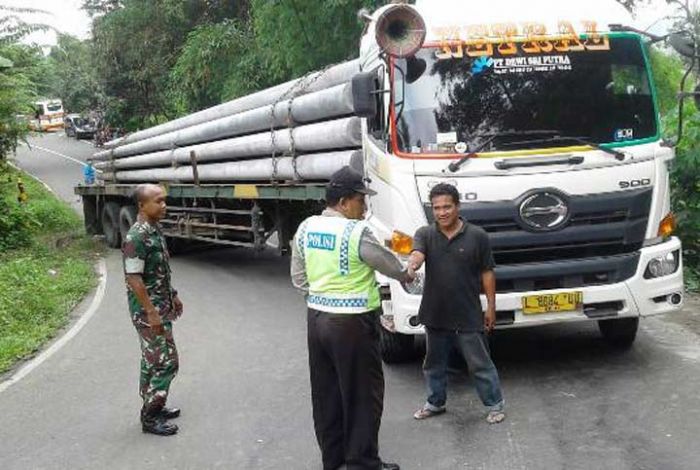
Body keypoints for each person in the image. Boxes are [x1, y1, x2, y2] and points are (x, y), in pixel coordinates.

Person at [291, 166, 413, 470]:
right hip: (352, 325)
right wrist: (407, 272)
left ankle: (332, 461)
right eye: (361, 200)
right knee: (362, 394)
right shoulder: (356, 231)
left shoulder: (306, 227)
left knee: (326, 393)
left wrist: (322, 297)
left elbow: (298, 278)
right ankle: (362, 462)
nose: (365, 207)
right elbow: (390, 266)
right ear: (344, 201)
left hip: (317, 320)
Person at [407, 183, 505, 424]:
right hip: (434, 313)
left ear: (457, 206)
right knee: (434, 364)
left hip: (468, 313)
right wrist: (412, 264)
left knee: (479, 363)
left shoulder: (477, 236)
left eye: (447, 207)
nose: (442, 213)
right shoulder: (425, 234)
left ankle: (495, 405)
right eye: (437, 208)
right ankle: (435, 403)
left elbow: (487, 273)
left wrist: (491, 307)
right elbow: (417, 253)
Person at [122, 184, 183, 436]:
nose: (164, 205)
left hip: (159, 305)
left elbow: (158, 272)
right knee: (166, 363)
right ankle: (150, 416)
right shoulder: (136, 237)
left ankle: (155, 403)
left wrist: (174, 296)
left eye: (164, 200)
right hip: (148, 312)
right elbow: (133, 278)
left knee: (152, 361)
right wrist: (151, 312)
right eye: (158, 201)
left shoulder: (154, 230)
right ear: (142, 206)